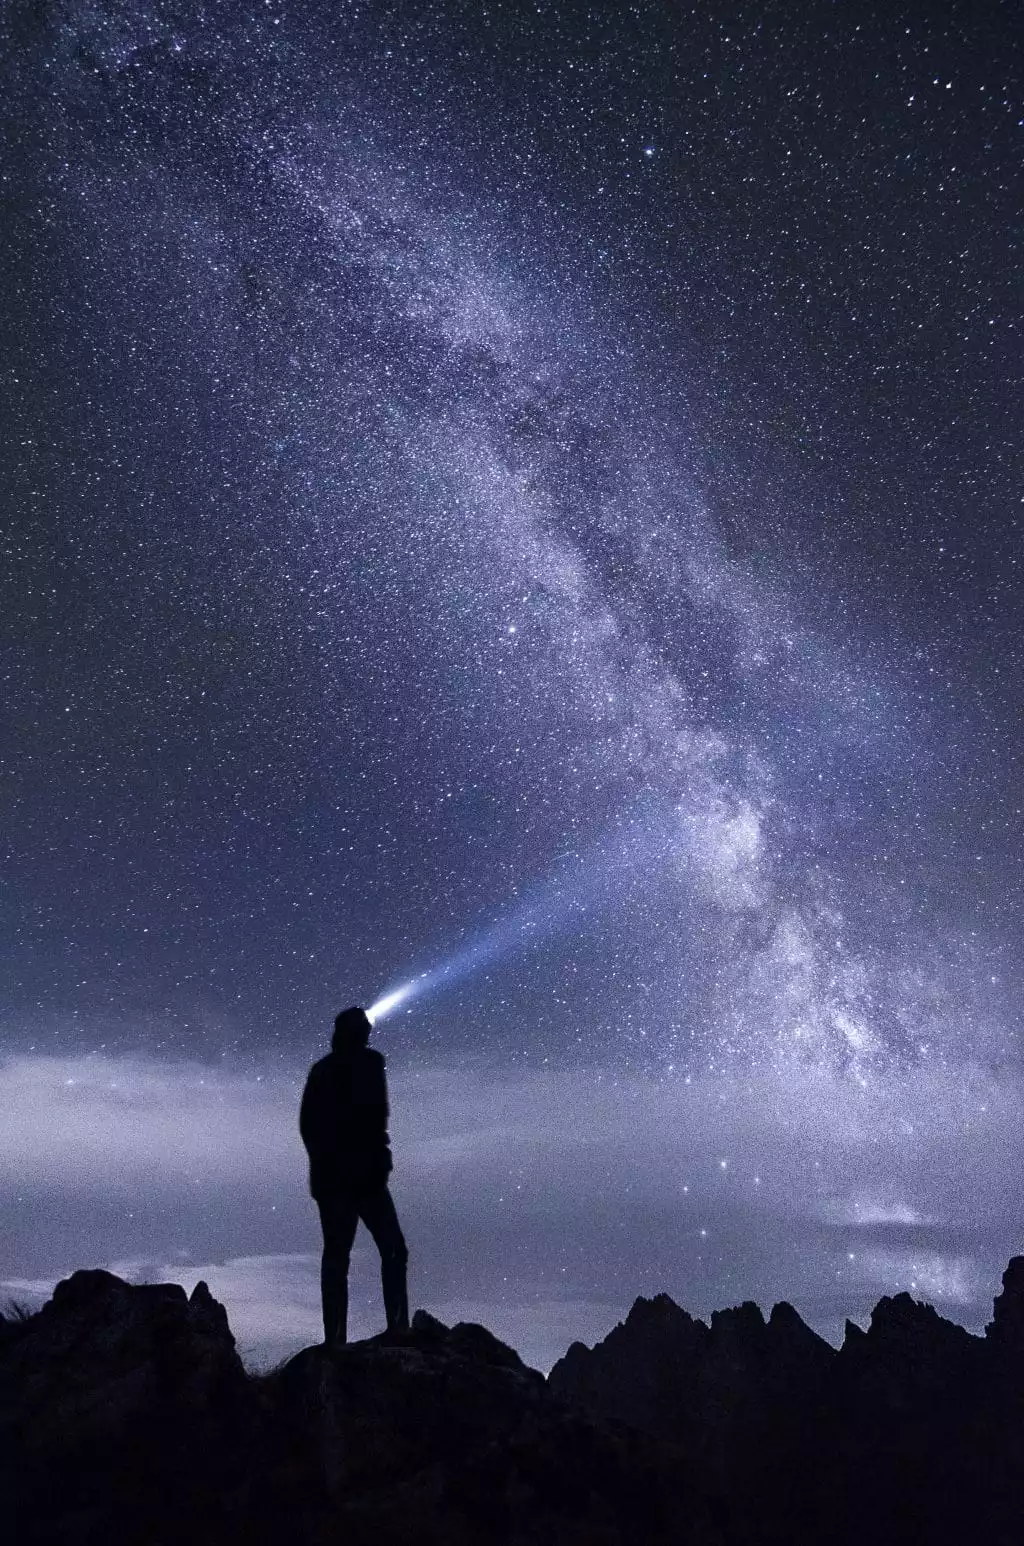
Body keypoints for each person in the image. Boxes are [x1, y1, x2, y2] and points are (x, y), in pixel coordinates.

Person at [299, 1006, 409, 1346]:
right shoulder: (369, 1064)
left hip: (341, 1179)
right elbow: (376, 1117)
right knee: (386, 1250)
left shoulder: (324, 1070)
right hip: (358, 1178)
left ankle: (337, 1339)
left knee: (340, 1256)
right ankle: (395, 1328)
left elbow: (309, 1126)